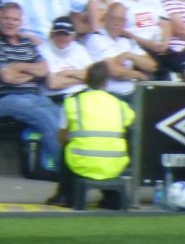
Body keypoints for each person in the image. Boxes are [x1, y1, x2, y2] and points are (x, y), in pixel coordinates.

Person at [0, 1, 60, 175]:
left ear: (21, 22)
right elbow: (7, 77)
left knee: (60, 116)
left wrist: (17, 67)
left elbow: (44, 69)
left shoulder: (27, 43)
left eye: (15, 19)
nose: (10, 23)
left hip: (33, 96)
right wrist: (32, 71)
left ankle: (51, 168)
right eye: (7, 18)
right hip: (5, 99)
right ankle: (66, 174)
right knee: (43, 116)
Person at [53, 61, 135, 209]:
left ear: (86, 80)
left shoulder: (73, 102)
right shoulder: (119, 104)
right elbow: (130, 124)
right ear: (107, 82)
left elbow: (61, 138)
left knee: (66, 146)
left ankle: (64, 195)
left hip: (80, 164)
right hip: (115, 164)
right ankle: (113, 198)